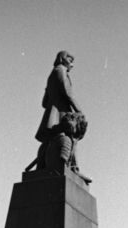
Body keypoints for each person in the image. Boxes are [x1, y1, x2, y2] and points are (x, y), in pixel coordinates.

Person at [35, 50, 89, 180]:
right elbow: (67, 93)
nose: (72, 65)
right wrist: (79, 111)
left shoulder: (53, 73)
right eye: (70, 61)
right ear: (63, 59)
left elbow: (44, 102)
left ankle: (41, 167)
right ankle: (73, 168)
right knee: (70, 138)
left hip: (52, 113)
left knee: (50, 141)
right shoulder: (61, 71)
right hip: (60, 112)